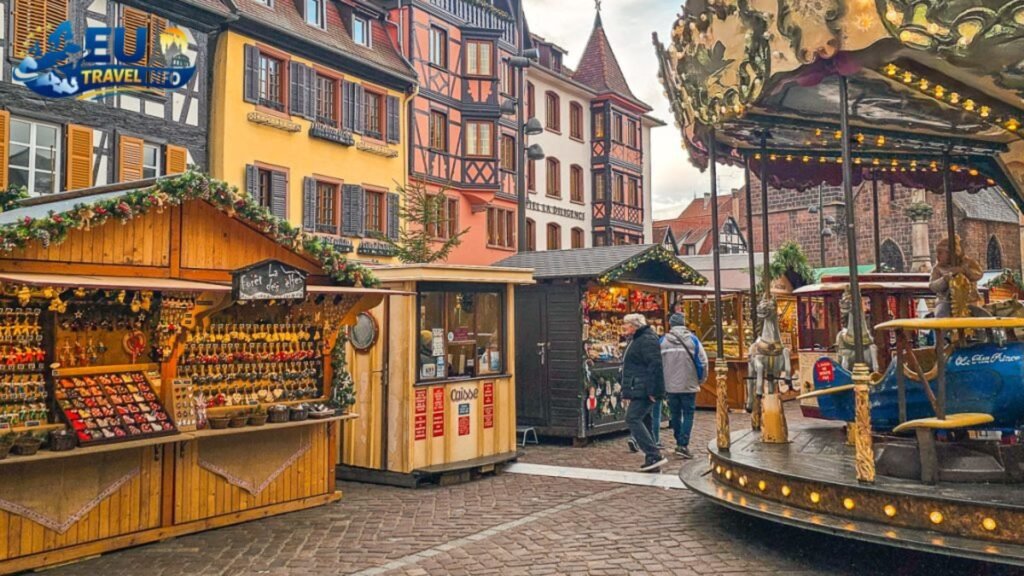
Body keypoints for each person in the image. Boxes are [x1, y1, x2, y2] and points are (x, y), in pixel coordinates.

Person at [621, 313, 668, 472]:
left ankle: (653, 454)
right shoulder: (638, 339)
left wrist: (654, 390)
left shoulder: (646, 340)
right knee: (645, 420)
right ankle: (652, 460)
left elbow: (655, 365)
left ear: (634, 326)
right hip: (640, 387)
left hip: (643, 388)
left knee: (632, 418)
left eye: (626, 325)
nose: (624, 328)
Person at [660, 312, 707, 459]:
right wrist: (701, 379)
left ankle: (678, 440)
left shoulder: (663, 341)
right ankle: (683, 444)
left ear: (671, 324)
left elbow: (658, 364)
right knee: (688, 414)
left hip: (670, 385)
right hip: (689, 383)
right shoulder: (693, 340)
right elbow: (703, 361)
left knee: (675, 414)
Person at [930, 235, 984, 318]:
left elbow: (978, 274)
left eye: (940, 253)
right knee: (941, 314)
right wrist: (944, 279)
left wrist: (964, 271)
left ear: (951, 253)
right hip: (946, 301)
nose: (938, 256)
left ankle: (985, 330)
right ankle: (944, 330)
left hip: (969, 300)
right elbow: (933, 286)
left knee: (982, 316)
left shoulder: (967, 263)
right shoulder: (938, 268)